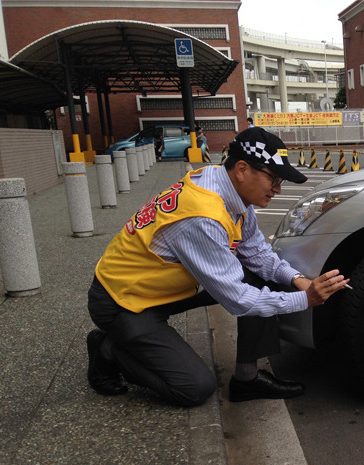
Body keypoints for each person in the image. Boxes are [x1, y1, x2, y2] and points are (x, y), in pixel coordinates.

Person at [86, 128, 350, 407]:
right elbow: (238, 299)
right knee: (194, 388)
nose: (278, 189)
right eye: (273, 179)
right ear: (241, 169)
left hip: (160, 287)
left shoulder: (227, 188)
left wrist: (297, 279)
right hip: (123, 301)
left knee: (263, 277)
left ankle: (247, 379)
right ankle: (109, 348)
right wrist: (305, 299)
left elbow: (257, 253)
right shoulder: (203, 216)